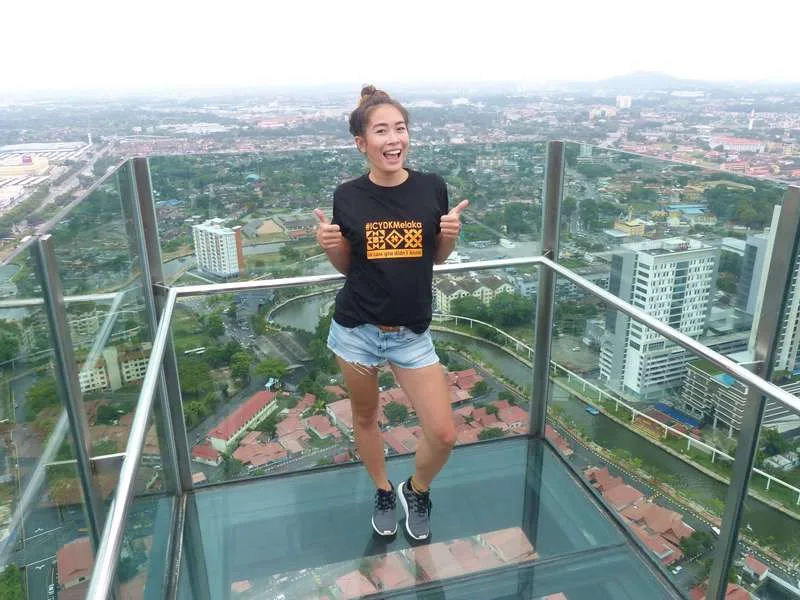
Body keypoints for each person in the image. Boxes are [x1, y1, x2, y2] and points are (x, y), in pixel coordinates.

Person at [313, 84, 468, 540]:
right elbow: (349, 266)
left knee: (443, 434)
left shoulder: (431, 187)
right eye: (381, 130)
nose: (393, 138)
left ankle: (415, 489)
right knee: (365, 417)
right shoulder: (348, 196)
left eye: (400, 128)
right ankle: (382, 489)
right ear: (361, 143)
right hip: (357, 330)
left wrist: (451, 233)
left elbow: (435, 258)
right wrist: (331, 247)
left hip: (411, 333)